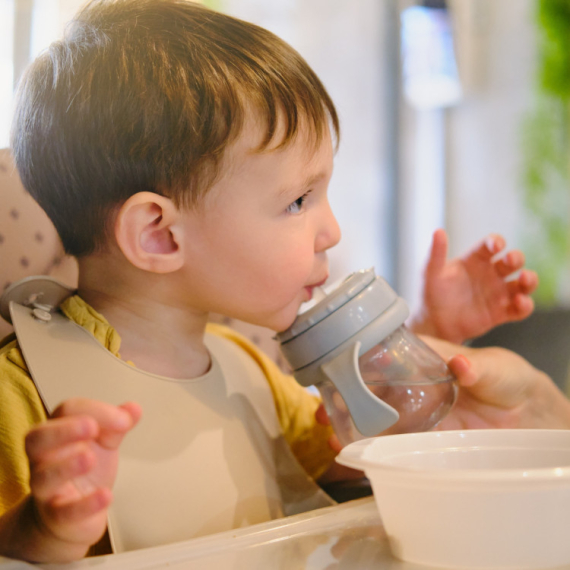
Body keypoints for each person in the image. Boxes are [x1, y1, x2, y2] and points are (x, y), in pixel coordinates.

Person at [0, 0, 551, 563]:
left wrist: (430, 341)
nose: (331, 231)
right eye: (297, 201)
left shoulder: (249, 371)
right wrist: (42, 529)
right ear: (160, 235)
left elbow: (365, 459)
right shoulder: (21, 391)